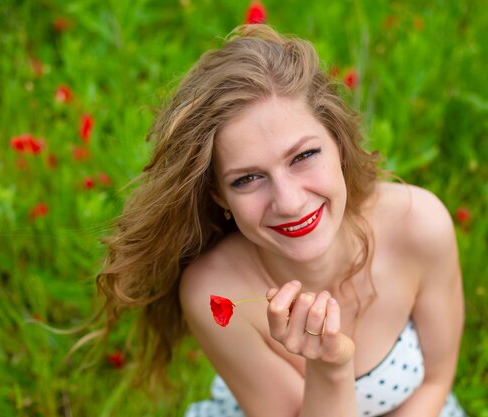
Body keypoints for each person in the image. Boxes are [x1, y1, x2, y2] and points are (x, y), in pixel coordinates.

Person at [97, 24, 466, 417]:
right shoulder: (218, 291)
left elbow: (435, 381)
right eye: (248, 179)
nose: (289, 203)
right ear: (219, 196)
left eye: (303, 156)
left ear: (338, 144)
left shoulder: (420, 225)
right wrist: (330, 366)